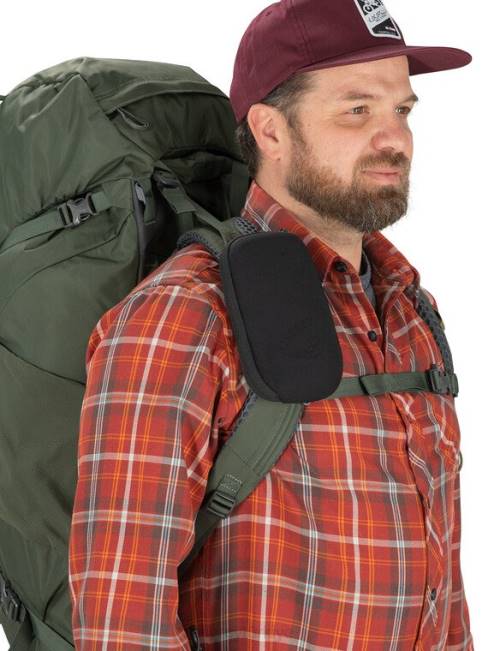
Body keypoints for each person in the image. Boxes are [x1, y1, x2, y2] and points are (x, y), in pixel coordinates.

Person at [68, 0, 474, 649]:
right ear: (270, 130)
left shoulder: (408, 309)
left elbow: (442, 589)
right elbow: (123, 618)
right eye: (357, 109)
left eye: (402, 110)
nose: (394, 138)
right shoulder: (185, 312)